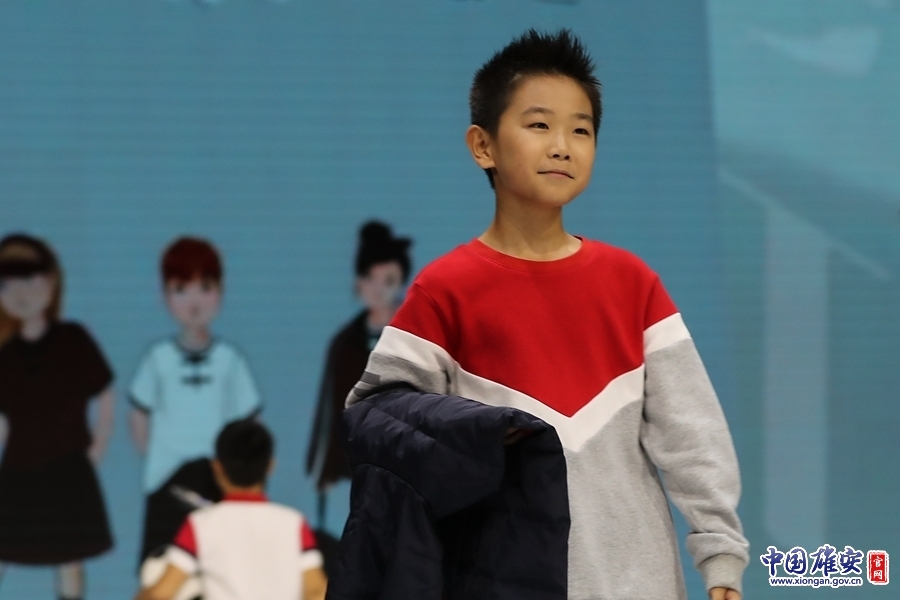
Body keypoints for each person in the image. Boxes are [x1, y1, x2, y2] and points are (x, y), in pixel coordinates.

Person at [343, 30, 749, 600]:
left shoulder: (631, 283)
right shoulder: (446, 290)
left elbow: (691, 432)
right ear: (482, 145)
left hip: (638, 582)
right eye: (539, 125)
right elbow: (374, 415)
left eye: (581, 130)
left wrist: (721, 553)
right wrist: (481, 431)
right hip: (498, 581)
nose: (562, 146)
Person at [130, 237, 262, 564]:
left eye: (205, 288)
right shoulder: (157, 359)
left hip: (219, 482)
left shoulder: (231, 361)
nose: (194, 301)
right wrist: (162, 457)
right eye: (181, 289)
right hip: (165, 481)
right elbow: (139, 418)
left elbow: (248, 426)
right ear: (165, 295)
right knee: (161, 569)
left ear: (220, 292)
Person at [0, 233, 115, 600]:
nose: (19, 293)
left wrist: (96, 449)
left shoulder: (73, 339)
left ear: (51, 282)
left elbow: (105, 395)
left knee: (69, 558)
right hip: (17, 470)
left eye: (28, 279)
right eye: (6, 284)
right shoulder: (5, 354)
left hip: (68, 470)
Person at [135, 419, 327, 600]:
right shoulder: (293, 524)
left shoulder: (200, 524)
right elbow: (316, 590)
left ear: (217, 467)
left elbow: (160, 594)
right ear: (270, 466)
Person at [305, 221, 412, 535]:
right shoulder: (344, 344)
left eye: (388, 280)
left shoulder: (418, 337)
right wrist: (325, 470)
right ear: (359, 282)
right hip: (353, 469)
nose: (378, 289)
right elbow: (331, 412)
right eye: (370, 279)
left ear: (401, 281)